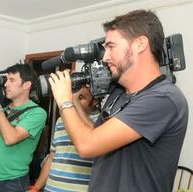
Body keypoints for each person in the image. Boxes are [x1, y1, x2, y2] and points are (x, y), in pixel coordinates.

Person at [48, 9, 188, 192]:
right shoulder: (120, 94)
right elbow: (94, 134)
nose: (105, 57)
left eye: (111, 46)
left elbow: (86, 145)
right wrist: (73, 100)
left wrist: (64, 101)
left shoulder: (163, 98)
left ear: (140, 44)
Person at [0, 63, 47, 192]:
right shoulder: (4, 110)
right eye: (7, 80)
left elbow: (10, 138)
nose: (6, 84)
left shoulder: (37, 113)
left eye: (12, 80)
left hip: (12, 180)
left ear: (26, 85)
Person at [29, 86, 100, 192]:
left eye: (80, 98)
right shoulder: (60, 121)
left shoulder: (100, 122)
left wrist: (72, 101)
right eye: (71, 96)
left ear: (94, 101)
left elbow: (97, 137)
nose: (72, 101)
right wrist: (36, 187)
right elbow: (52, 157)